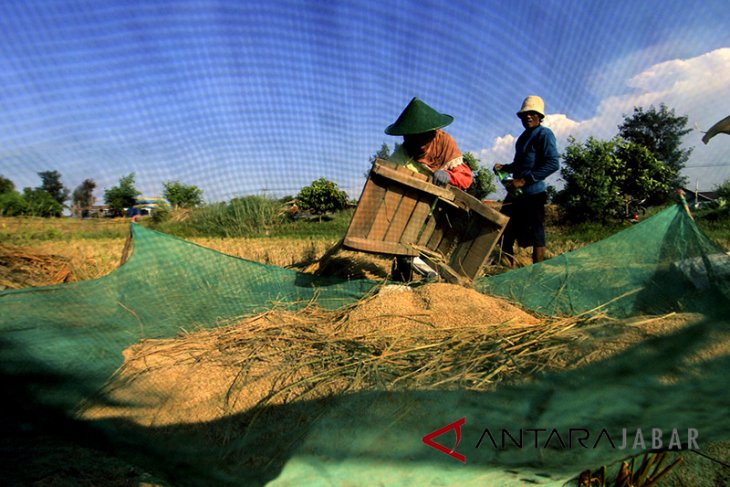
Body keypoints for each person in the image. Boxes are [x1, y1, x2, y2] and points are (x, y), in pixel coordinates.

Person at [494, 95, 559, 265]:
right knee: (504, 229)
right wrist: (505, 168)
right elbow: (520, 165)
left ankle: (537, 270)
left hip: (533, 193)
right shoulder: (522, 138)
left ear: (540, 116)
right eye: (524, 114)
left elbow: (553, 163)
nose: (528, 117)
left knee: (536, 231)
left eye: (532, 113)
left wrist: (524, 180)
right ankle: (507, 267)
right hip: (517, 194)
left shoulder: (545, 134)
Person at [385, 97, 472, 190]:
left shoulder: (445, 143)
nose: (417, 142)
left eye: (421, 136)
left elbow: (465, 178)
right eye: (411, 137)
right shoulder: (403, 153)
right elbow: (387, 173)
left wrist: (449, 176)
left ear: (432, 133)